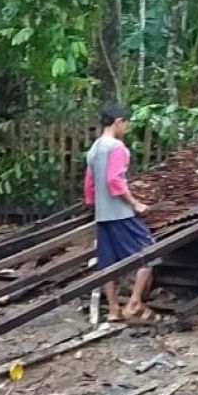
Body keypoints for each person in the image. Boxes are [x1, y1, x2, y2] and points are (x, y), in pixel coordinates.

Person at [84, 102, 159, 323]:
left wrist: (93, 203)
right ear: (118, 122)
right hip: (121, 213)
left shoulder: (94, 148)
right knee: (150, 252)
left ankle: (114, 309)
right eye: (125, 124)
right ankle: (134, 301)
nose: (126, 128)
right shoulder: (117, 148)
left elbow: (89, 183)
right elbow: (114, 180)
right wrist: (136, 204)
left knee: (107, 263)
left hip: (103, 214)